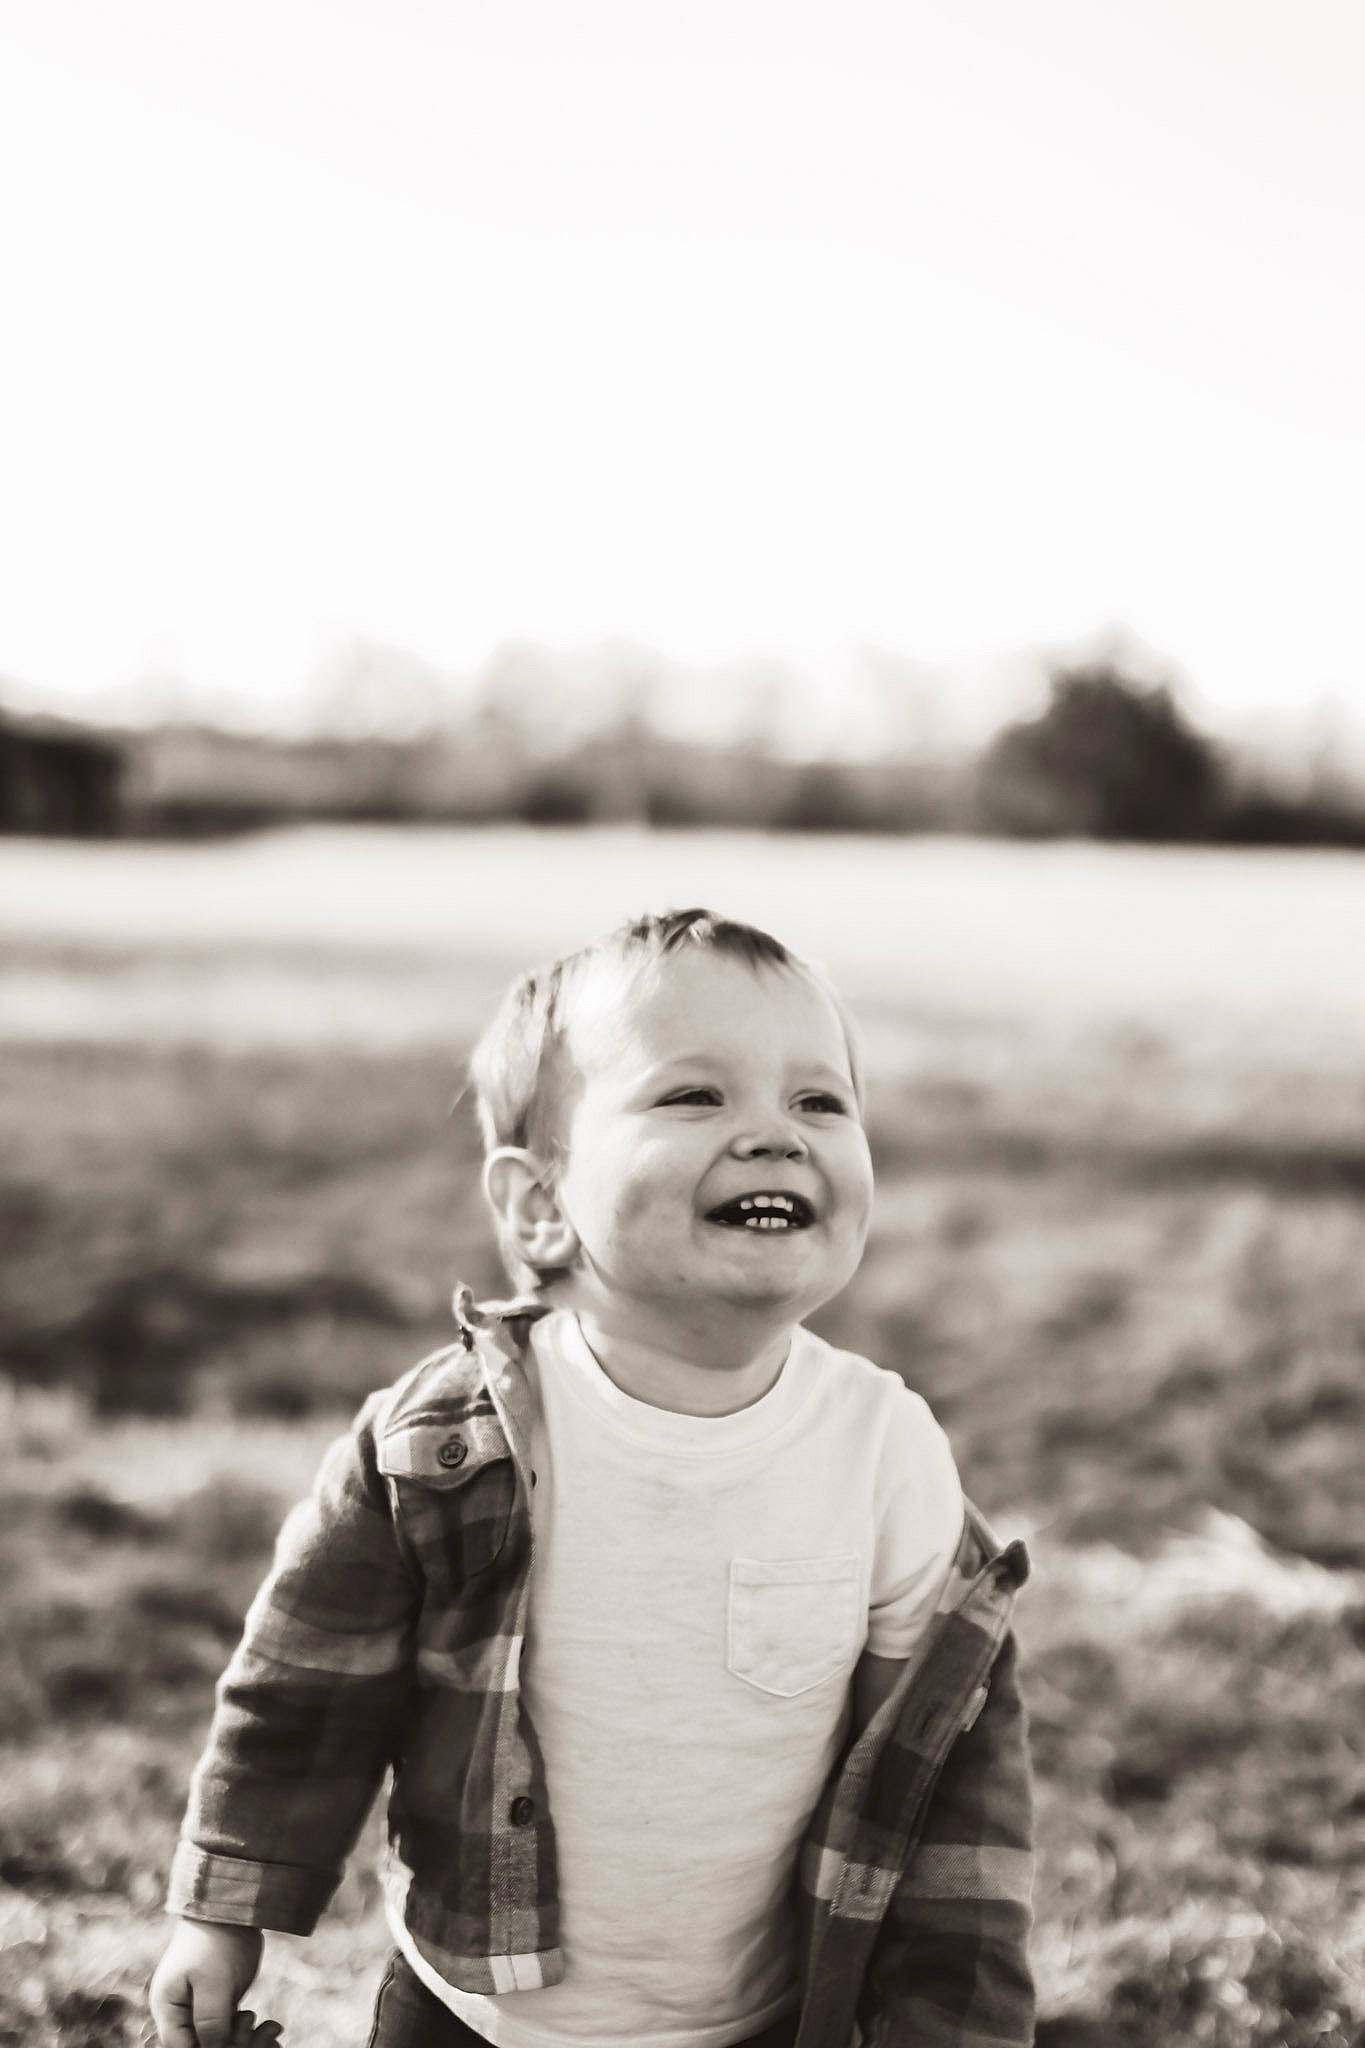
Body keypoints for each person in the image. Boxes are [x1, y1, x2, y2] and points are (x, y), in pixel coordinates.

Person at [149, 909, 1034, 2048]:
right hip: (471, 2010)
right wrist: (223, 1916)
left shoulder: (886, 1451)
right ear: (539, 1204)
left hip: (752, 2018)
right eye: (694, 1095)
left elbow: (946, 1770)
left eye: (820, 1100)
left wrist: (948, 2019)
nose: (776, 1135)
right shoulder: (442, 1444)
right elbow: (304, 1689)